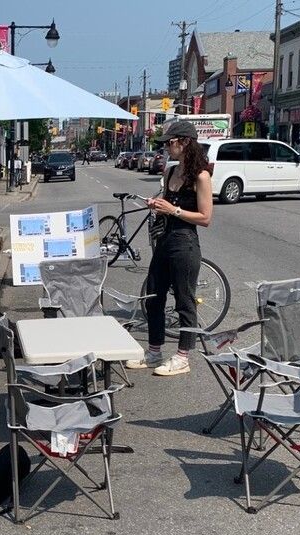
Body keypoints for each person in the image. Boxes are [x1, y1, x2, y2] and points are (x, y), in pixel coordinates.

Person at [125, 119, 213, 376]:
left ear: (185, 142)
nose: (166, 148)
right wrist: (157, 204)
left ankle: (183, 356)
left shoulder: (201, 176)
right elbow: (166, 203)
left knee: (184, 300)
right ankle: (154, 352)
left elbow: (206, 218)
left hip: (184, 243)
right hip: (164, 240)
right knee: (154, 296)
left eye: (170, 143)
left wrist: (173, 210)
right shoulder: (171, 171)